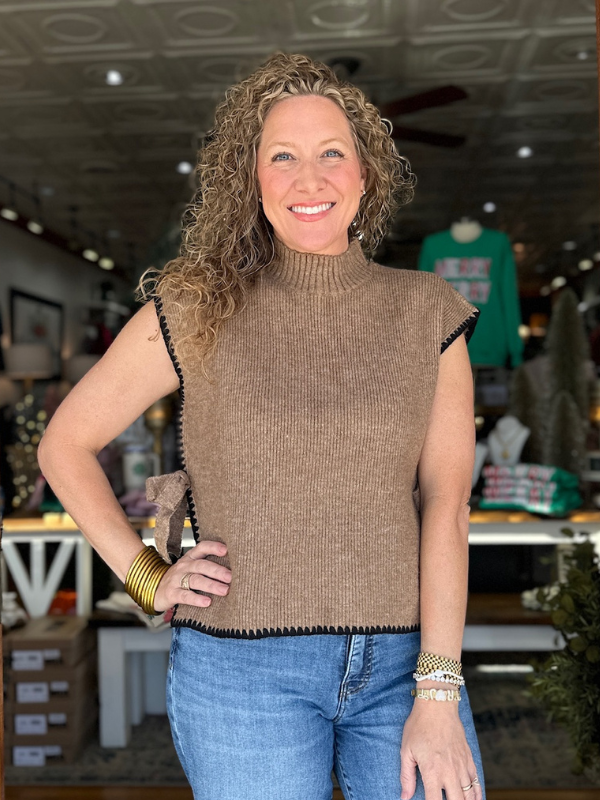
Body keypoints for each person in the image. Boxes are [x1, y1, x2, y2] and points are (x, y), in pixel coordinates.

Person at [39, 52, 485, 800]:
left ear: (366, 174)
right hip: (240, 673)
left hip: (404, 668)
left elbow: (448, 504)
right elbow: (65, 446)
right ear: (253, 181)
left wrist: (437, 691)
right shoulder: (194, 308)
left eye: (331, 153)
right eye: (283, 157)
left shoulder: (428, 312)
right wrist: (147, 579)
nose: (309, 179)